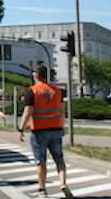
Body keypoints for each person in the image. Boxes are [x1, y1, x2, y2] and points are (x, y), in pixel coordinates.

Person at [18, 66, 73, 198]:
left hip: (39, 131)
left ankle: (42, 189)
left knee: (40, 161)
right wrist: (62, 127)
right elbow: (61, 111)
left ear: (35, 76)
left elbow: (28, 112)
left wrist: (21, 128)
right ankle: (63, 183)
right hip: (55, 129)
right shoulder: (57, 91)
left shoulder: (32, 91)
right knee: (59, 159)